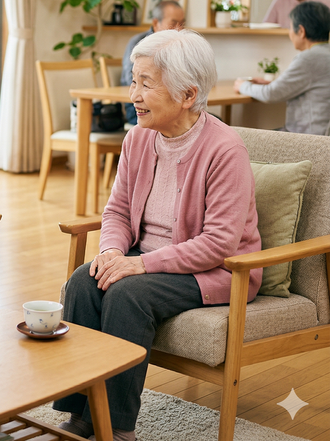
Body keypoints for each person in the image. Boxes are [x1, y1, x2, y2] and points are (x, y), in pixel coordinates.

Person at [55, 29, 262, 441]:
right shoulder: (137, 139)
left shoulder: (225, 150)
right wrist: (113, 251)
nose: (133, 94)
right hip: (144, 256)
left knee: (128, 295)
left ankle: (117, 428)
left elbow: (219, 243)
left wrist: (138, 264)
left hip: (215, 270)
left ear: (188, 95)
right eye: (133, 80)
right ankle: (81, 412)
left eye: (145, 84)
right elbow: (116, 210)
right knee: (82, 281)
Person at [234, 1, 330, 135]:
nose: (290, 33)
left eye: (290, 28)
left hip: (307, 139)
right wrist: (275, 83)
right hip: (322, 136)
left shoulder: (308, 58)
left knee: (242, 138)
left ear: (301, 31)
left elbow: (271, 94)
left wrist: (242, 86)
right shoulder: (325, 54)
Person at [120, 0, 185, 124]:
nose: (179, 28)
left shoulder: (181, 45)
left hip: (173, 105)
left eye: (182, 23)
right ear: (156, 23)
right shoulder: (139, 43)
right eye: (174, 23)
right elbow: (134, 81)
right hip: (140, 108)